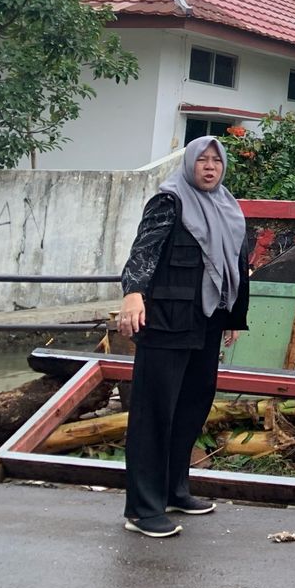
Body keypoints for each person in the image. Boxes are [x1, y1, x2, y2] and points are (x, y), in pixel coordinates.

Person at [117, 136, 250, 538]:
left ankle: (175, 490)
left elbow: (230, 268)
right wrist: (133, 294)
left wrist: (229, 316)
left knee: (192, 406)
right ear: (189, 163)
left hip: (206, 322)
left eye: (216, 161)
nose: (209, 167)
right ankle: (142, 509)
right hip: (166, 323)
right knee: (154, 413)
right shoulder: (169, 202)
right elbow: (144, 251)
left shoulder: (227, 207)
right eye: (202, 160)